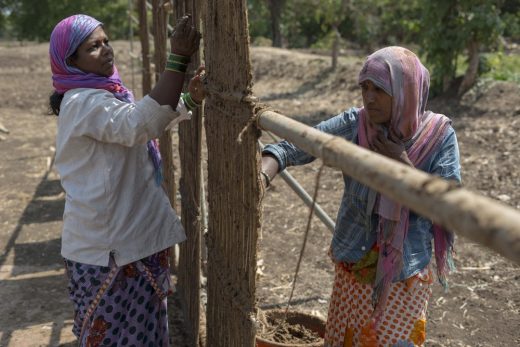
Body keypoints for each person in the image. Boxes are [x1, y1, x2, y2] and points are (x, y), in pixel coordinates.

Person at [261, 46, 461, 347]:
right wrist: (264, 174)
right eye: (364, 87)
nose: (369, 98)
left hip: (402, 274)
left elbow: (449, 205)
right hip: (355, 266)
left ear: (405, 89)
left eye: (379, 89)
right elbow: (299, 143)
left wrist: (401, 163)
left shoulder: (439, 136)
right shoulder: (358, 123)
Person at [49, 14, 204, 346]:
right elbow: (137, 126)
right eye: (93, 47)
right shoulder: (82, 103)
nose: (106, 50)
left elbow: (137, 125)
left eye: (106, 42)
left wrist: (188, 99)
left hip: (125, 242)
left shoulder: (105, 95)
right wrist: (178, 60)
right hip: (110, 250)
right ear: (70, 61)